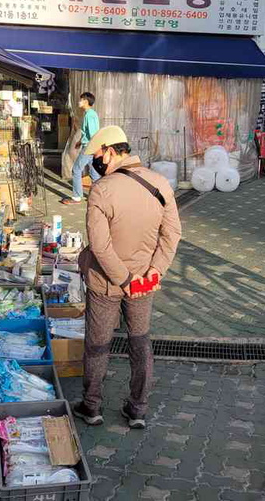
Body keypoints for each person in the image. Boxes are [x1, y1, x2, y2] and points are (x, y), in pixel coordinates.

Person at [72, 126, 182, 429]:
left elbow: (100, 246)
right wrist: (154, 271)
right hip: (145, 281)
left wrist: (123, 279)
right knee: (139, 341)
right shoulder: (160, 183)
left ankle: (91, 406)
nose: (96, 163)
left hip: (106, 282)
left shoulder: (102, 189)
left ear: (109, 151)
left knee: (98, 344)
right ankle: (137, 409)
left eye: (97, 156)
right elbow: (172, 234)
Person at [62, 92, 100, 204]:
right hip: (90, 146)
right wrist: (80, 141)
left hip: (89, 147)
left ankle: (77, 196)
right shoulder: (90, 114)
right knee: (94, 174)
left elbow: (93, 134)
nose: (79, 102)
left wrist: (90, 146)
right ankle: (98, 196)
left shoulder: (90, 115)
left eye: (81, 99)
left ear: (86, 101)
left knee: (76, 169)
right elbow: (87, 133)